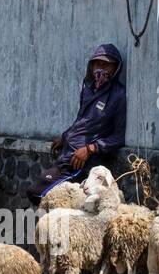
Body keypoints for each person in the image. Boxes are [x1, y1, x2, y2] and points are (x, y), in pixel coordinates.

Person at [27, 44, 127, 204]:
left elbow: (118, 137)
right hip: (66, 155)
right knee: (38, 193)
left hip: (80, 164)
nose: (100, 68)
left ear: (115, 68)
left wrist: (90, 149)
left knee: (38, 194)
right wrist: (65, 137)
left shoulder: (118, 95)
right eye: (97, 63)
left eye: (105, 64)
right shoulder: (88, 89)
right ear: (91, 66)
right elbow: (82, 120)